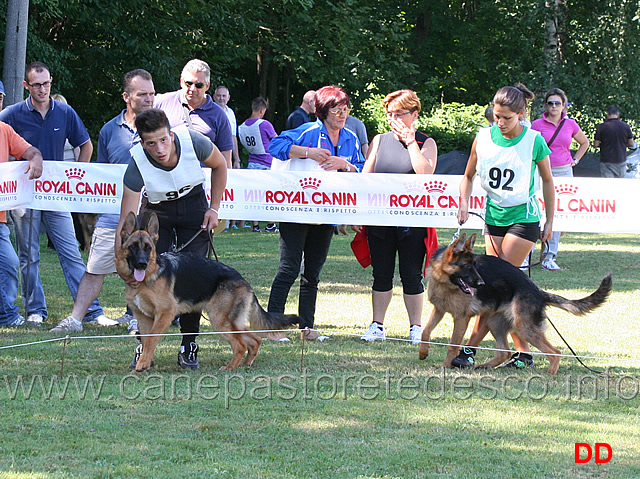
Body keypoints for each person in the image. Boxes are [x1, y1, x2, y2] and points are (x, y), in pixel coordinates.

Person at [115, 108, 227, 369]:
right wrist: (120, 261)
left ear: (171, 134)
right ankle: (145, 348)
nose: (159, 148)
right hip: (157, 212)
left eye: (164, 140)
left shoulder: (193, 141)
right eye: (151, 143)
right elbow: (125, 221)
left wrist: (215, 208)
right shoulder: (136, 162)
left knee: (193, 276)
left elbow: (220, 164)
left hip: (193, 205)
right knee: (146, 278)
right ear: (142, 143)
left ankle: (189, 345)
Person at [453, 83, 555, 369]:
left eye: (507, 118)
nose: (500, 122)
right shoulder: (483, 138)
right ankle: (522, 354)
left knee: (496, 286)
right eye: (497, 116)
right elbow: (468, 175)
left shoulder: (533, 140)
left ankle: (469, 349)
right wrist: (463, 200)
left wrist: (550, 221)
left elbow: (548, 181)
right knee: (500, 289)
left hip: (523, 218)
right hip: (493, 218)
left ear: (521, 114)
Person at [0, 61, 110, 326]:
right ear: (26, 85)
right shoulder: (12, 114)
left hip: (56, 194)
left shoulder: (64, 111)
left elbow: (85, 145)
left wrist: (75, 181)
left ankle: (91, 311)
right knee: (28, 255)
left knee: (71, 251)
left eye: (46, 83)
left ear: (51, 81)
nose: (42, 89)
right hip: (24, 195)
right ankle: (35, 311)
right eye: (36, 84)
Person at [50, 69, 156, 333]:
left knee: (144, 268)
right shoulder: (109, 130)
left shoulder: (161, 128)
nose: (149, 99)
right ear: (126, 97)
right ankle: (75, 319)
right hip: (113, 214)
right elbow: (104, 175)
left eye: (152, 93)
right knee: (95, 268)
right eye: (142, 94)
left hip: (150, 213)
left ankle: (138, 317)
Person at [267, 85, 364, 341]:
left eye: (345, 109)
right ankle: (272, 326)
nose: (342, 115)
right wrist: (308, 153)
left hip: (326, 213)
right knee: (288, 269)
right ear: (323, 111)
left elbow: (362, 171)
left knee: (312, 273)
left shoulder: (351, 138)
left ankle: (306, 327)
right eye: (336, 110)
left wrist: (346, 165)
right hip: (296, 210)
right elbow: (275, 145)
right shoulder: (308, 131)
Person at [358, 90, 438, 345]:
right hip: (380, 219)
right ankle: (377, 325)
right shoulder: (379, 140)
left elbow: (425, 173)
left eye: (399, 114)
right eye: (390, 114)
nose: (393, 119)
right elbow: (365, 177)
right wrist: (359, 212)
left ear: (414, 114)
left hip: (412, 220)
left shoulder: (427, 142)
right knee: (381, 273)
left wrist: (411, 142)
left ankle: (416, 328)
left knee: (411, 274)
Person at [531, 88, 589, 271]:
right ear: (546, 105)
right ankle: (527, 254)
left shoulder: (570, 124)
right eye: (550, 103)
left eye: (557, 103)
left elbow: (584, 142)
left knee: (556, 214)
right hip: (540, 169)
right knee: (535, 210)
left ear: (564, 105)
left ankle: (549, 256)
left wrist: (576, 159)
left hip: (563, 171)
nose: (554, 106)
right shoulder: (537, 124)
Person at [0, 122, 43, 326]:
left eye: (0, 98)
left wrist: (36, 158)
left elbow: (30, 151)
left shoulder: (4, 130)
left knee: (9, 262)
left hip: (0, 219)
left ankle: (6, 314)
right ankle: (7, 315)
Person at [154, 59, 233, 168]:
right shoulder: (161, 103)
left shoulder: (219, 115)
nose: (192, 89)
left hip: (204, 180)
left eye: (199, 85)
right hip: (167, 177)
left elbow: (225, 156)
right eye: (188, 83)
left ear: (207, 86)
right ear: (181, 81)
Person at [237, 96, 279, 234]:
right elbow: (276, 140)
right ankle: (270, 224)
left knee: (255, 195)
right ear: (262, 110)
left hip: (251, 162)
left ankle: (255, 225)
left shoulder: (242, 127)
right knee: (270, 194)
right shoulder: (264, 124)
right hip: (266, 162)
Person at [594, 105, 635, 178]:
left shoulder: (601, 127)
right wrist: (622, 145)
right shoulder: (625, 126)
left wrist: (604, 145)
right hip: (621, 159)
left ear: (607, 114)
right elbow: (631, 143)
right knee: (619, 185)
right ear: (618, 114)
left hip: (606, 160)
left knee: (608, 185)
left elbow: (596, 144)